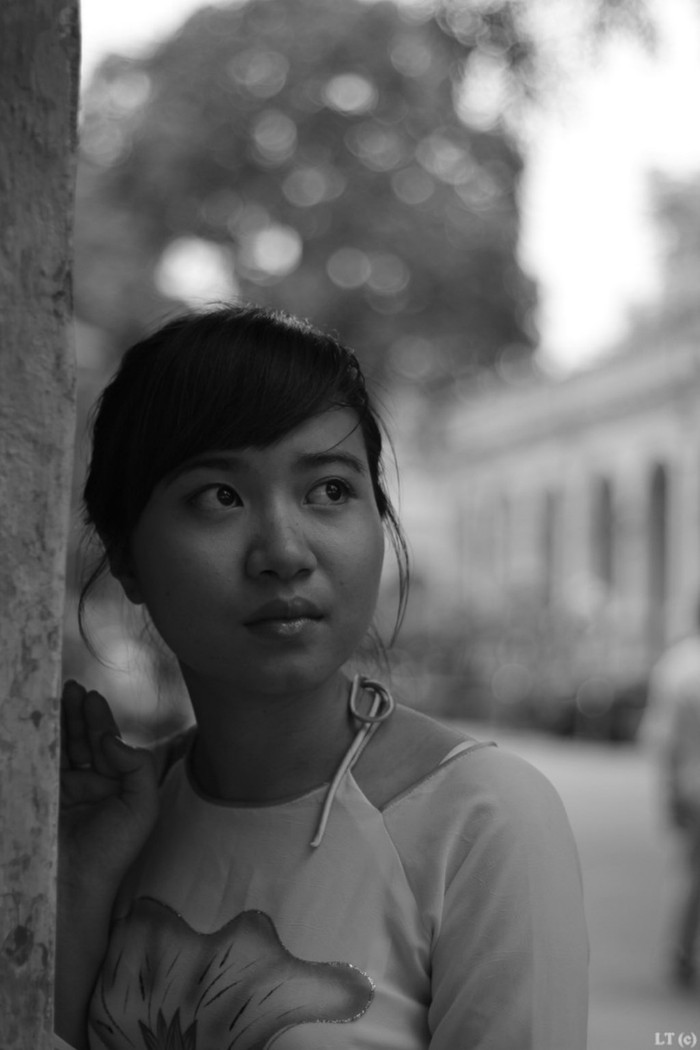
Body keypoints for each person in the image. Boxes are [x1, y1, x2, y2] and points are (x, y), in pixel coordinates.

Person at [56, 304, 589, 1049]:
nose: (283, 551)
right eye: (219, 496)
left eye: (330, 490)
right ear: (125, 556)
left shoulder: (480, 821)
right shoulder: (113, 827)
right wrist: (78, 885)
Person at [648, 599, 700, 987]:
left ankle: (681, 951)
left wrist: (669, 791)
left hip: (690, 785)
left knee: (690, 870)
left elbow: (663, 739)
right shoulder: (684, 666)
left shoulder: (678, 663)